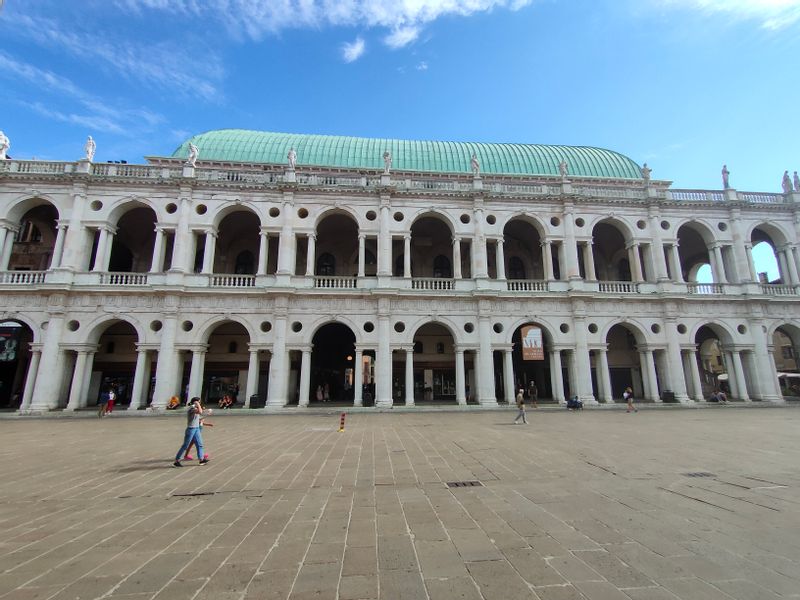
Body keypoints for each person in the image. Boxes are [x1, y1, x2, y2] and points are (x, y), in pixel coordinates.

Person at [173, 397, 210, 467]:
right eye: (199, 402)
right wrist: (197, 404)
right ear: (195, 402)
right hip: (191, 429)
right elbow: (200, 412)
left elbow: (199, 418)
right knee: (185, 445)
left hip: (196, 428)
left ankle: (201, 460)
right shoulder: (192, 408)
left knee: (200, 444)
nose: (200, 403)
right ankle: (177, 460)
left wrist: (207, 414)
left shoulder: (195, 408)